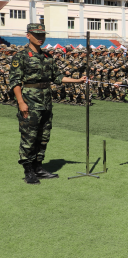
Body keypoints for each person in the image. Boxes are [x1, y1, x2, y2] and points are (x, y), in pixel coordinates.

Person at [9, 23, 87, 184]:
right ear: (28, 35)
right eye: (37, 35)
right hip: (29, 101)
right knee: (29, 137)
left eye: (42, 35)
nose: (40, 38)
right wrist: (21, 102)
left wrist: (78, 80)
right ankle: (28, 170)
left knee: (44, 136)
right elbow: (15, 81)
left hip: (45, 101)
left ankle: (38, 167)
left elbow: (57, 77)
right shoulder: (21, 56)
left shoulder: (47, 57)